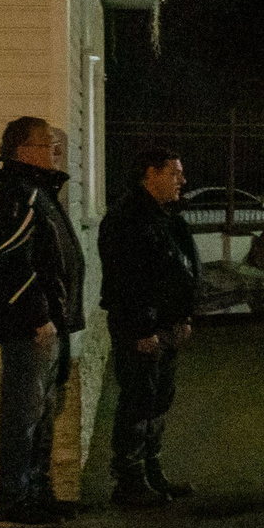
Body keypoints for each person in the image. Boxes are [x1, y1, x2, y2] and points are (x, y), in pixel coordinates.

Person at [0, 117, 85, 528]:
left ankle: (38, 492)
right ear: (22, 150)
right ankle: (14, 502)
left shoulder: (38, 191)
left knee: (43, 412)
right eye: (47, 144)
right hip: (31, 328)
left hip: (52, 323)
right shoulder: (16, 193)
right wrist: (37, 315)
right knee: (24, 414)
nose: (55, 151)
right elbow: (12, 259)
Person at [97, 146, 202, 507]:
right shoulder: (127, 219)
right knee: (138, 400)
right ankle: (129, 480)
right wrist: (142, 329)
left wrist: (183, 317)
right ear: (151, 173)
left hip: (166, 326)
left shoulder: (164, 215)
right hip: (143, 329)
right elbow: (127, 280)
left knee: (159, 398)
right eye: (174, 173)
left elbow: (181, 268)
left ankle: (152, 471)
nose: (182, 180)